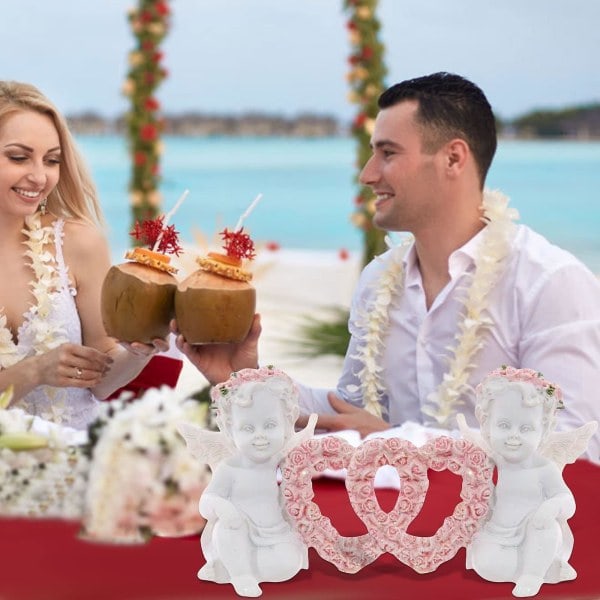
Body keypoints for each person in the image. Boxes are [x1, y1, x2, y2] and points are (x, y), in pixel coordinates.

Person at [172, 72, 600, 462]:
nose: (367, 174)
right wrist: (243, 378)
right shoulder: (380, 280)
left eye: (387, 153)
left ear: (453, 159)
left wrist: (398, 441)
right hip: (397, 533)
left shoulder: (550, 283)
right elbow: (351, 412)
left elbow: (574, 447)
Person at [0, 80, 169, 429]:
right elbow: (38, 370)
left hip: (74, 464)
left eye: (51, 160)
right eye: (18, 157)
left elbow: (102, 381)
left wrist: (139, 351)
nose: (38, 176)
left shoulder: (78, 243)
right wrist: (35, 370)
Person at [178, 367, 313, 597]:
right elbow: (206, 503)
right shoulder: (230, 468)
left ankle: (233, 567)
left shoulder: (277, 461)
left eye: (270, 425)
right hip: (238, 531)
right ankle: (241, 574)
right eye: (248, 428)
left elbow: (295, 483)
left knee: (288, 565)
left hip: (273, 532)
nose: (259, 436)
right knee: (228, 528)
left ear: (286, 425)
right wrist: (223, 508)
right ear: (230, 431)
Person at [466, 367, 587, 597]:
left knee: (545, 528)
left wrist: (552, 507)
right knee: (487, 567)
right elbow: (478, 483)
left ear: (544, 431)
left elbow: (568, 501)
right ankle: (544, 567)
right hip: (499, 532)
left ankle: (533, 573)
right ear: (486, 425)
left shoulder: (544, 468)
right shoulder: (495, 461)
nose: (514, 436)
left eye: (526, 428)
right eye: (503, 425)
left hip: (534, 529)